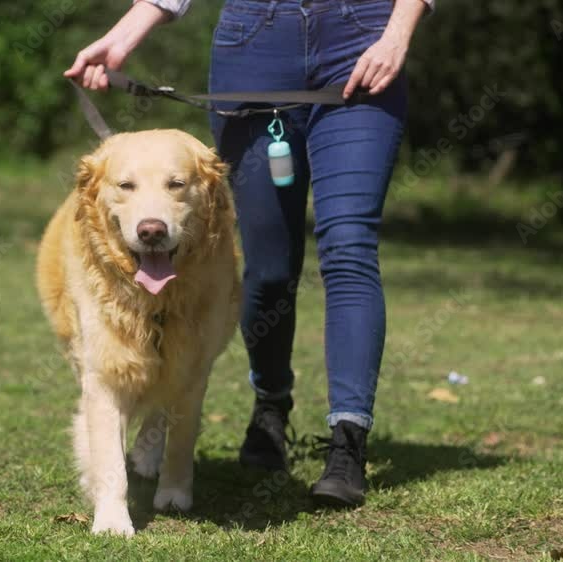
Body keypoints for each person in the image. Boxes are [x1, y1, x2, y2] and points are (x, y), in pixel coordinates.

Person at [65, 0, 431, 509]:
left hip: (365, 38)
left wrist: (397, 32)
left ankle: (348, 440)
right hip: (255, 43)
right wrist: (125, 35)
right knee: (269, 263)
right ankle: (271, 407)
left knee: (349, 246)